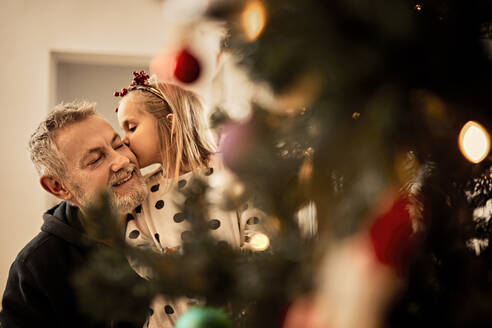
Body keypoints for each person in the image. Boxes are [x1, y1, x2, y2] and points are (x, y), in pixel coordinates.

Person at [115, 71, 265, 327]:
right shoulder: (143, 190)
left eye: (132, 127)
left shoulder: (228, 170)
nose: (124, 140)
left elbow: (258, 226)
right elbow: (136, 250)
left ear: (171, 124)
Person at [0, 102, 148, 328]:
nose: (122, 161)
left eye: (118, 145)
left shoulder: (172, 210)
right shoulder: (35, 268)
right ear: (58, 187)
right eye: (96, 159)